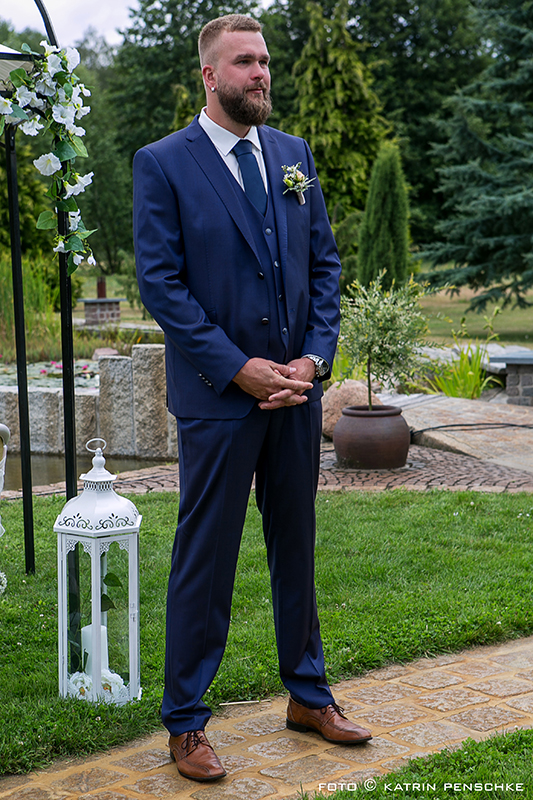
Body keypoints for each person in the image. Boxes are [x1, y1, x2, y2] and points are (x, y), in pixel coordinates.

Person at [133, 13, 372, 783]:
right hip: (219, 399)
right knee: (205, 561)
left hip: (295, 397)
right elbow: (162, 287)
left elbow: (325, 269)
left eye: (264, 61)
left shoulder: (294, 157)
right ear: (210, 75)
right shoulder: (163, 163)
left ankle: (308, 694)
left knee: (295, 550)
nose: (260, 74)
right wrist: (238, 368)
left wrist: (313, 359)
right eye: (244, 63)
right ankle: (186, 723)